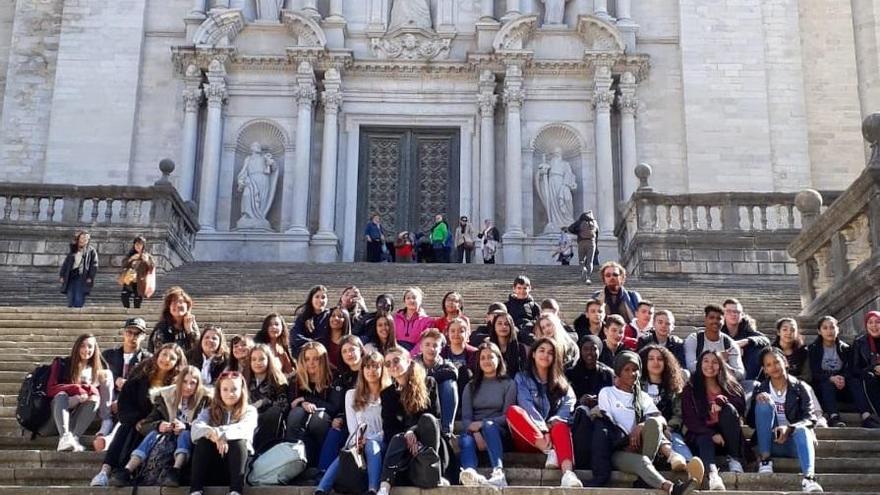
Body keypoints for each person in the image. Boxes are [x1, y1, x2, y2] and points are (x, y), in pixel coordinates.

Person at [593, 351, 703, 495]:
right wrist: (626, 442)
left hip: (641, 445)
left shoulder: (642, 396)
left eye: (635, 370)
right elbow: (608, 423)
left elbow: (661, 419)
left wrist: (641, 426)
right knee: (642, 461)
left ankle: (652, 471)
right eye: (627, 370)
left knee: (653, 422)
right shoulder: (607, 393)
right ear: (618, 372)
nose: (632, 374)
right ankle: (672, 488)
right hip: (618, 449)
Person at [90, 344, 188, 487]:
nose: (166, 359)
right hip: (136, 420)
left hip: (161, 425)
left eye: (172, 358)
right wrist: (136, 419)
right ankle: (105, 471)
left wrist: (153, 423)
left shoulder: (178, 383)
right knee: (125, 429)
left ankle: (128, 472)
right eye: (164, 354)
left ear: (177, 363)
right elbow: (125, 400)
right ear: (158, 355)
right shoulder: (141, 372)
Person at [110, 365, 212, 487]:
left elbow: (209, 425)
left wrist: (186, 426)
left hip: (191, 442)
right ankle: (127, 470)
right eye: (184, 382)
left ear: (198, 385)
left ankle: (175, 471)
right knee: (153, 433)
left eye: (193, 383)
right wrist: (159, 425)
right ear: (179, 381)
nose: (188, 387)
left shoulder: (206, 400)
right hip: (165, 440)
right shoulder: (165, 397)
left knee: (184, 433)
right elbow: (145, 425)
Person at [507, 338, 582, 488]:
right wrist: (543, 429)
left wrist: (554, 421)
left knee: (561, 425)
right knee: (514, 411)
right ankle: (550, 452)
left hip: (553, 435)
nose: (545, 355)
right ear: (533, 354)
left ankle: (568, 475)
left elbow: (569, 404)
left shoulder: (561, 381)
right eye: (541, 350)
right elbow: (526, 405)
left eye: (550, 353)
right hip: (530, 437)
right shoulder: (521, 378)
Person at [747, 347, 823, 493]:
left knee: (802, 429)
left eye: (776, 362)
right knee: (763, 403)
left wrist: (790, 428)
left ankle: (809, 479)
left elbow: (810, 418)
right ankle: (765, 460)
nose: (773, 367)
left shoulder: (800, 387)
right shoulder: (760, 388)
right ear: (765, 370)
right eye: (768, 365)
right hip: (769, 442)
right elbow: (751, 422)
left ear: (785, 363)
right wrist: (756, 402)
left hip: (794, 443)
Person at [316, 351, 391, 495]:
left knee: (371, 445)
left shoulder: (389, 394)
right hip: (357, 441)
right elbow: (352, 426)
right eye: (367, 367)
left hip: (381, 442)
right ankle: (321, 490)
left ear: (382, 369)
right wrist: (358, 441)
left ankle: (373, 490)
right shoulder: (351, 394)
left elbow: (388, 427)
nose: (371, 371)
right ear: (362, 370)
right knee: (347, 451)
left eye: (376, 366)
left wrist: (369, 440)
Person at [377, 346, 447, 495]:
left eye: (396, 360)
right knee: (396, 437)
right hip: (403, 447)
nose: (392, 366)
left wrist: (412, 431)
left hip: (428, 439)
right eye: (388, 364)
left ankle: (433, 469)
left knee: (428, 419)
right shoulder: (387, 394)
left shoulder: (428, 383)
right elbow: (389, 427)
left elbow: (434, 418)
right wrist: (406, 436)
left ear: (408, 361)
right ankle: (384, 486)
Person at [681, 351, 748, 490]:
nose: (710, 365)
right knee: (704, 438)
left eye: (715, 362)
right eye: (706, 361)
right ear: (700, 364)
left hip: (728, 435)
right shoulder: (691, 388)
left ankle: (735, 459)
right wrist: (711, 434)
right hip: (702, 433)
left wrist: (721, 402)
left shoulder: (731, 385)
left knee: (728, 409)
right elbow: (690, 419)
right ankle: (713, 476)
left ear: (721, 365)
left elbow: (740, 407)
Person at [189, 371, 258, 495]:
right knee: (204, 440)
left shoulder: (250, 411)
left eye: (234, 389)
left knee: (239, 442)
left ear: (241, 390)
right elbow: (195, 428)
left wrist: (220, 433)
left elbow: (244, 428)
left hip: (237, 468)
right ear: (219, 391)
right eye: (225, 389)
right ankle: (195, 490)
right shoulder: (208, 411)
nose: (229, 394)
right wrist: (211, 433)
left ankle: (236, 492)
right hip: (213, 465)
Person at [458, 342, 517, 488]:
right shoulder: (471, 386)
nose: (486, 361)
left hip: (499, 431)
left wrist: (483, 424)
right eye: (482, 358)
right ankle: (470, 473)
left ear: (498, 359)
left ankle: (498, 472)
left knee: (490, 426)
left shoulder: (509, 384)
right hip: (474, 431)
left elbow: (507, 417)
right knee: (465, 439)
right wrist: (477, 432)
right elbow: (466, 418)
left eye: (490, 357)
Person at [45, 334, 113, 452]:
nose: (86, 350)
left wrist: (91, 391)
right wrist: (77, 388)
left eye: (90, 347)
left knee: (95, 398)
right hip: (56, 414)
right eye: (82, 346)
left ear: (95, 349)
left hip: (81, 416)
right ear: (77, 347)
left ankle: (74, 438)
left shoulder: (99, 370)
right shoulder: (62, 363)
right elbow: (50, 390)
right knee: (62, 395)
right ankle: (65, 436)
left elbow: (101, 400)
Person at [95, 317, 152, 452]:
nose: (132, 337)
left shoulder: (148, 359)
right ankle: (106, 426)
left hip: (130, 402)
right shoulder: (108, 355)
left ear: (143, 336)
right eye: (129, 332)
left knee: (128, 411)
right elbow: (96, 377)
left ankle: (107, 438)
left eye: (137, 334)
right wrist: (115, 380)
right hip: (107, 399)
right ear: (124, 333)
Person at [286, 341, 339, 465]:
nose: (311, 363)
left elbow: (334, 407)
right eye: (307, 359)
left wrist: (306, 399)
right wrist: (301, 404)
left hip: (325, 421)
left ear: (323, 360)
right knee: (296, 413)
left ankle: (319, 462)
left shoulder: (334, 377)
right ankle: (292, 460)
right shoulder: (296, 379)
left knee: (318, 418)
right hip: (301, 422)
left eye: (316, 359)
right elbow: (291, 404)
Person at [316, 335, 366, 471]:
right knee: (334, 431)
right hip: (350, 422)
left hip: (370, 421)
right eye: (344, 351)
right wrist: (339, 418)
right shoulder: (342, 378)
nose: (349, 354)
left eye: (352, 349)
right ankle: (323, 472)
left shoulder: (371, 370)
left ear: (361, 350)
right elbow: (339, 405)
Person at [639, 345, 694, 464]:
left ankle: (689, 466)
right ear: (644, 361)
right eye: (651, 359)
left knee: (677, 441)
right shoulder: (637, 386)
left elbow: (678, 414)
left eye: (660, 359)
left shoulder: (674, 387)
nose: (656, 362)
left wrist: (668, 427)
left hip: (669, 430)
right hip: (644, 430)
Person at [807, 316, 854, 427]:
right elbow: (814, 372)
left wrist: (842, 377)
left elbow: (850, 369)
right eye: (825, 328)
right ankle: (834, 416)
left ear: (837, 329)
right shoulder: (813, 349)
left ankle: (867, 415)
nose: (829, 331)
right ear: (819, 331)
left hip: (842, 386)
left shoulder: (845, 348)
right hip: (822, 388)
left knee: (855, 382)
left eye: (832, 327)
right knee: (827, 383)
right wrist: (830, 378)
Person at [246, 344, 290, 453]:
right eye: (254, 359)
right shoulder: (244, 380)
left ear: (269, 360)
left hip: (269, 422)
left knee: (274, 412)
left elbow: (283, 405)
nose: (257, 363)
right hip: (247, 421)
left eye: (262, 359)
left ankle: (262, 452)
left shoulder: (278, 381)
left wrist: (262, 403)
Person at [415, 329, 459, 436]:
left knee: (449, 384)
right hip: (420, 403)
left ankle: (446, 429)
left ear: (441, 348)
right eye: (427, 344)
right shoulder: (414, 364)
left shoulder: (446, 364)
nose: (431, 348)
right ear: (421, 347)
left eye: (435, 345)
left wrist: (431, 378)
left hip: (440, 401)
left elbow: (454, 373)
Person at [683, 305, 745, 381]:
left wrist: (720, 363)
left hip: (722, 384)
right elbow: (691, 367)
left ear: (723, 321)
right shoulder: (694, 339)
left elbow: (741, 374)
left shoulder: (730, 344)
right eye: (711, 318)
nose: (715, 321)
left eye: (719, 318)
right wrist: (718, 358)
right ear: (705, 320)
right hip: (698, 383)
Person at [721, 298, 770, 381]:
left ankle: (749, 381)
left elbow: (765, 340)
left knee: (758, 347)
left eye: (737, 312)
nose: (733, 314)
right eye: (729, 311)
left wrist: (745, 341)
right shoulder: (718, 329)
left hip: (746, 369)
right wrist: (734, 350)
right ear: (723, 314)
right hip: (723, 369)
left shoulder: (746, 329)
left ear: (742, 315)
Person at [848, 310, 880, 428]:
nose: (874, 326)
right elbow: (854, 369)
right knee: (870, 379)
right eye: (870, 322)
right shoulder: (860, 342)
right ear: (866, 325)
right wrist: (874, 368)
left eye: (877, 322)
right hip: (867, 377)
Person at [147, 286, 199, 354]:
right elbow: (160, 354)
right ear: (169, 308)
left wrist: (189, 331)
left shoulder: (192, 324)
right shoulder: (161, 328)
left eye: (180, 301)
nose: (177, 305)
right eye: (173, 302)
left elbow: (199, 349)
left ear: (188, 306)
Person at [59, 230, 98, 308]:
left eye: (86, 238)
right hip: (71, 276)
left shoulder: (91, 251)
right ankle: (71, 314)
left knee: (79, 297)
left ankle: (77, 312)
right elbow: (66, 264)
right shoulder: (73, 249)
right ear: (78, 238)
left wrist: (90, 276)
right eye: (82, 237)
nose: (84, 239)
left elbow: (94, 264)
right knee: (70, 296)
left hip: (82, 276)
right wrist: (62, 275)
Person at [290, 285, 331, 357]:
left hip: (325, 355)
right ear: (311, 299)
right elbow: (295, 335)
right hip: (307, 355)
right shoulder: (303, 317)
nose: (320, 300)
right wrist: (313, 344)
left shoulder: (331, 316)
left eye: (323, 297)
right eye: (317, 297)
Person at [119, 235, 156, 309]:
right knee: (124, 296)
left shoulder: (147, 256)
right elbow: (123, 265)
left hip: (140, 281)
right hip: (129, 279)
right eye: (136, 244)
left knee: (137, 300)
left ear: (143, 246)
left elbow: (152, 268)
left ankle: (135, 315)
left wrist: (146, 261)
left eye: (140, 244)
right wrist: (131, 258)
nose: (138, 246)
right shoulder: (130, 255)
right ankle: (127, 311)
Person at [393, 287, 433, 351]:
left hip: (415, 355)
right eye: (408, 298)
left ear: (420, 300)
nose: (411, 300)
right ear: (404, 301)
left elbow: (423, 342)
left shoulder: (427, 321)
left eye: (414, 298)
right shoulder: (395, 319)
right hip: (396, 353)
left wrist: (410, 355)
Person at [489, 312, 529, 376]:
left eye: (507, 324)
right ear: (494, 327)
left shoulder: (520, 348)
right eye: (499, 324)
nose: (503, 326)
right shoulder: (488, 348)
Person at [568, 211, 599, 283]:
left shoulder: (580, 222)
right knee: (590, 261)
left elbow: (570, 228)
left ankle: (583, 269)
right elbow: (596, 235)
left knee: (581, 260)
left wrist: (577, 232)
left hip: (582, 242)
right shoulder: (595, 223)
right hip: (591, 243)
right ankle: (588, 278)